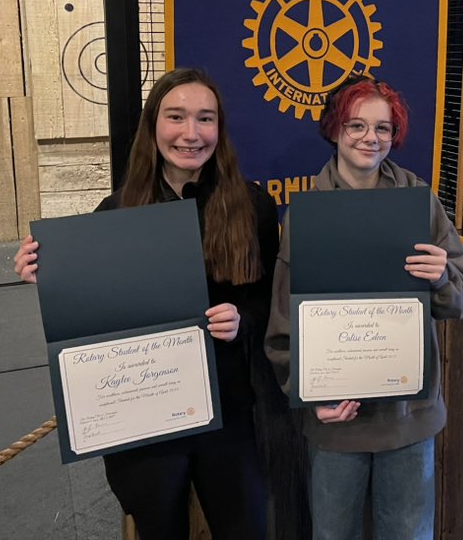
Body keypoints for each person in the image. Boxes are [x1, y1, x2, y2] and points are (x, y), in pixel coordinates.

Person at [14, 68, 278, 540]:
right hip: (146, 414)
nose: (191, 134)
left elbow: (267, 295)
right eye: (176, 117)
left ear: (220, 128)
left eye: (205, 119)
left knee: (248, 528)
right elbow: (91, 311)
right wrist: (48, 272)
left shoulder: (253, 207)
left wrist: (244, 318)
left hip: (228, 407)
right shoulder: (115, 215)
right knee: (158, 526)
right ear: (153, 125)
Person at [264, 75, 463, 540]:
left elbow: (461, 297)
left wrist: (441, 276)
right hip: (336, 420)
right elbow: (283, 324)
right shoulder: (306, 215)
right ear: (335, 129)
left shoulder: (419, 203)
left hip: (407, 418)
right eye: (356, 125)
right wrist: (307, 393)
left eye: (382, 128)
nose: (370, 138)